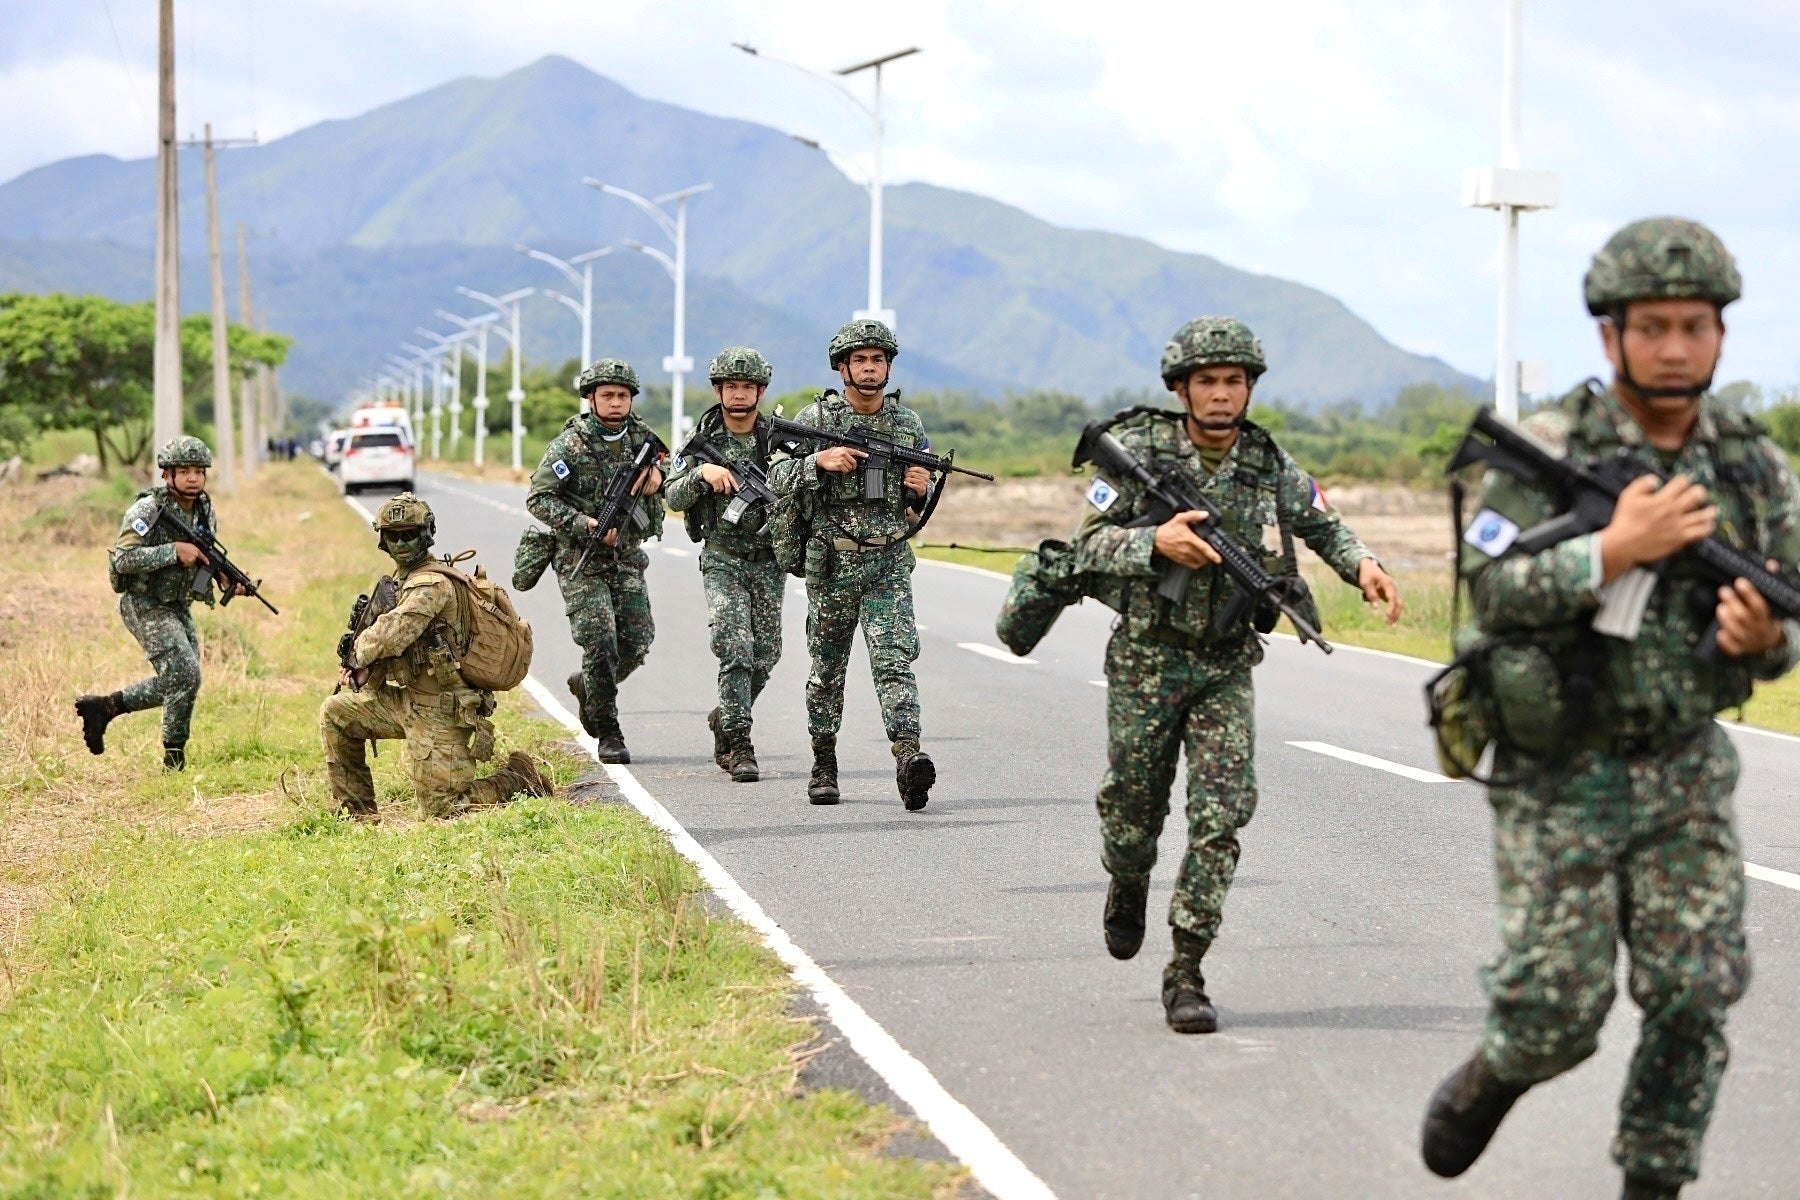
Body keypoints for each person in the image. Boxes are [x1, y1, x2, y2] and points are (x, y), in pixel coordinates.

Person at [1420, 218, 1800, 1200]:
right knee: (1557, 1012)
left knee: (1694, 994)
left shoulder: (1754, 471)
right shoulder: (1547, 449)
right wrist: (1612, 550)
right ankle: (1498, 1072)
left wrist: (1767, 642)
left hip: (1683, 768)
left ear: (1721, 335)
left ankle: (1654, 1183)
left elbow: (1776, 620)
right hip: (1560, 772)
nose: (1675, 347)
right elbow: (1490, 592)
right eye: (1653, 327)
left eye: (1695, 326)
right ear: (1611, 337)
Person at [1070, 316, 1402, 1033]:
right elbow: (1084, 547)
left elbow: (1324, 523)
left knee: (1222, 817)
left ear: (1249, 389)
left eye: (1234, 382)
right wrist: (1153, 541)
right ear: (1181, 388)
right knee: (1132, 814)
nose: (1221, 395)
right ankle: (1126, 881)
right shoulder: (1138, 453)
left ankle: (1186, 969)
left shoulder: (1267, 463)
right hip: (1146, 659)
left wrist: (1365, 566)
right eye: (1208, 382)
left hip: (1224, 667)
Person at [768, 319, 937, 809]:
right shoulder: (816, 418)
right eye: (860, 360)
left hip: (886, 560)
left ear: (888, 367)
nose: (869, 368)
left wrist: (918, 490)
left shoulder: (908, 425)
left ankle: (908, 757)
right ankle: (823, 761)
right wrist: (818, 462)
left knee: (895, 662)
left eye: (877, 360)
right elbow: (776, 475)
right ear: (842, 367)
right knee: (827, 670)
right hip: (832, 564)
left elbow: (911, 509)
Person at [319, 492, 552, 818]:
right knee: (336, 713)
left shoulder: (432, 584)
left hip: (441, 708)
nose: (401, 544)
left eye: (410, 535)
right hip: (405, 701)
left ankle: (517, 781)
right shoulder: (403, 581)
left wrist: (357, 654)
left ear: (426, 534)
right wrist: (364, 671)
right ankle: (356, 812)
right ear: (383, 539)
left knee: (442, 809)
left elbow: (394, 632)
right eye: (393, 536)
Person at [76, 436, 248, 771]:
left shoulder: (204, 509)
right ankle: (174, 760)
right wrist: (173, 551)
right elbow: (123, 559)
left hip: (177, 604)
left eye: (199, 470)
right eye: (183, 470)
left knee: (184, 680)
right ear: (166, 474)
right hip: (144, 602)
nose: (193, 477)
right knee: (184, 674)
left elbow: (204, 554)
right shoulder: (147, 510)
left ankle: (104, 708)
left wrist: (223, 578)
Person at [526, 358, 665, 763]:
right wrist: (584, 523)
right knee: (601, 641)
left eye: (622, 395)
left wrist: (657, 481)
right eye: (607, 395)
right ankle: (609, 731)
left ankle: (590, 685)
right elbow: (538, 498)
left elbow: (675, 479)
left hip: (627, 557)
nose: (616, 402)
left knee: (638, 642)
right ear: (591, 398)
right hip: (580, 559)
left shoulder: (645, 440)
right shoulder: (570, 445)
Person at [663, 347, 784, 782]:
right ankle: (739, 743)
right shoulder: (700, 441)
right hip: (723, 559)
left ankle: (726, 714)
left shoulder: (780, 440)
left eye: (747, 386)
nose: (738, 394)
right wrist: (701, 475)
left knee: (767, 655)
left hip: (770, 559)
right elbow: (670, 496)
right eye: (730, 386)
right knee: (734, 647)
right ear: (718, 390)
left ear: (761, 391)